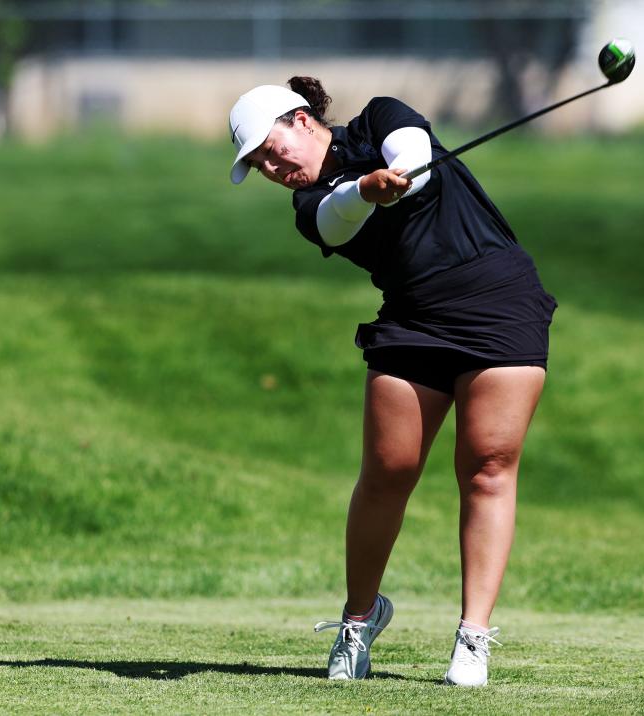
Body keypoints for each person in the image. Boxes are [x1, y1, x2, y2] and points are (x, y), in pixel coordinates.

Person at [227, 77, 556, 687]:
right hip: (413, 317)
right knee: (389, 472)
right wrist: (364, 189)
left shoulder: (379, 117)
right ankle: (360, 618)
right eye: (260, 166)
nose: (273, 168)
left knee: (487, 465)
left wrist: (394, 174)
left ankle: (473, 638)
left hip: (500, 303)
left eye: (272, 150)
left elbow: (417, 160)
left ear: (301, 121)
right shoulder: (307, 207)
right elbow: (336, 220)